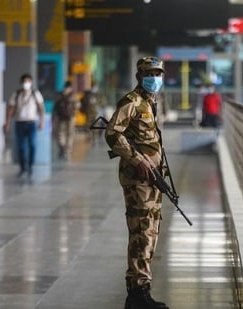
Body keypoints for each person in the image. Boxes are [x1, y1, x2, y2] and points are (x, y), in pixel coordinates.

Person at [105, 56, 169, 309]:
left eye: (158, 73)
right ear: (139, 76)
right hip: (137, 179)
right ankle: (138, 292)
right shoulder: (131, 102)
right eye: (149, 73)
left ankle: (139, 290)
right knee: (141, 233)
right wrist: (136, 159)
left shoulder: (152, 102)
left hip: (153, 178)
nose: (155, 78)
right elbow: (112, 134)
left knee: (151, 231)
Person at [4, 73, 45, 178]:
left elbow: (41, 108)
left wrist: (41, 121)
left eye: (28, 81)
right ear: (21, 83)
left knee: (32, 145)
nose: (26, 84)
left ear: (31, 82)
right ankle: (22, 167)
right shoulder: (16, 94)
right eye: (24, 81)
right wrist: (7, 122)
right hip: (20, 123)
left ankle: (30, 165)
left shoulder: (35, 93)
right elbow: (10, 108)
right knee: (21, 147)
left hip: (31, 123)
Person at [53, 81, 79, 160]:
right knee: (70, 135)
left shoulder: (59, 95)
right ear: (70, 87)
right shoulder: (73, 96)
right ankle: (67, 152)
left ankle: (63, 148)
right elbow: (77, 107)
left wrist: (54, 117)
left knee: (60, 134)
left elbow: (55, 107)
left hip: (60, 118)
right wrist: (74, 115)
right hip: (70, 118)